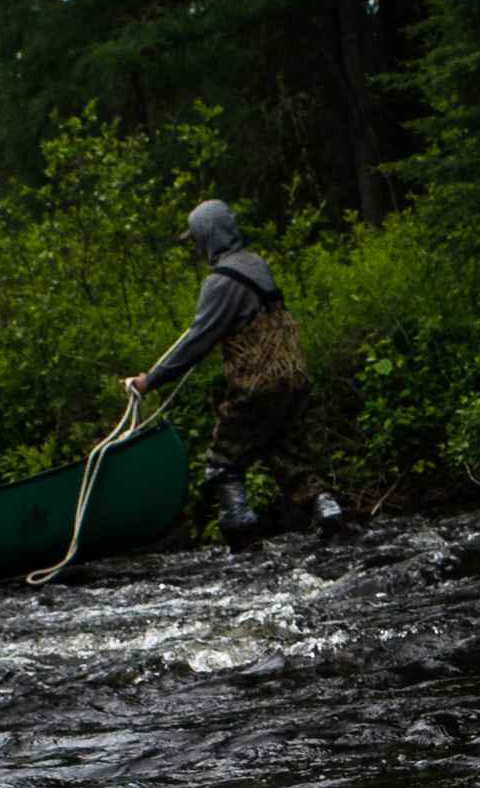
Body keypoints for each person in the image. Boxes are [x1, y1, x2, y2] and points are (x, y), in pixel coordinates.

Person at [124, 198, 331, 544]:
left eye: (195, 238)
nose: (195, 246)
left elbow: (195, 342)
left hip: (257, 385)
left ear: (208, 235)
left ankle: (241, 528)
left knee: (222, 465)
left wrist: (150, 381)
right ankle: (330, 513)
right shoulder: (256, 264)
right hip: (292, 379)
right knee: (290, 459)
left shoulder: (220, 282)